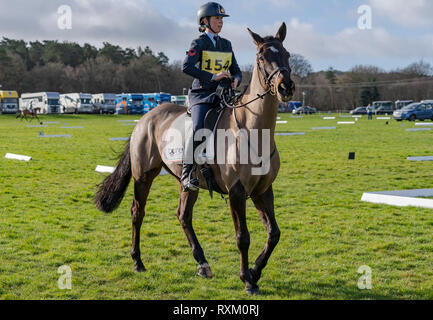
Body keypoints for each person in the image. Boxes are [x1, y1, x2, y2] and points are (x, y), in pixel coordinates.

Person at [181, 2, 242, 192]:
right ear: (205, 21)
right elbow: (186, 66)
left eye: (222, 19)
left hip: (224, 94)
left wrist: (236, 80)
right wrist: (212, 77)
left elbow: (237, 70)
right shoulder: (197, 43)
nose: (220, 22)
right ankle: (187, 173)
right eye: (217, 18)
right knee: (200, 127)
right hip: (202, 94)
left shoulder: (227, 44)